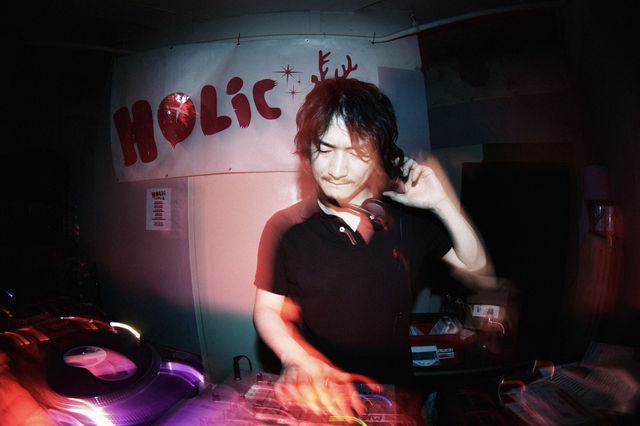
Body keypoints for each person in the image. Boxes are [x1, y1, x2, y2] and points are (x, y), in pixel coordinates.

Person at [253, 78, 494, 418]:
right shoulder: (285, 228)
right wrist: (299, 360)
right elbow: (266, 310)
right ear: (308, 151)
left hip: (397, 395)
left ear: (380, 157)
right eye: (325, 149)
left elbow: (476, 268)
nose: (336, 170)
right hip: (324, 395)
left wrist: (442, 202)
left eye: (355, 153)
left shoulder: (408, 220)